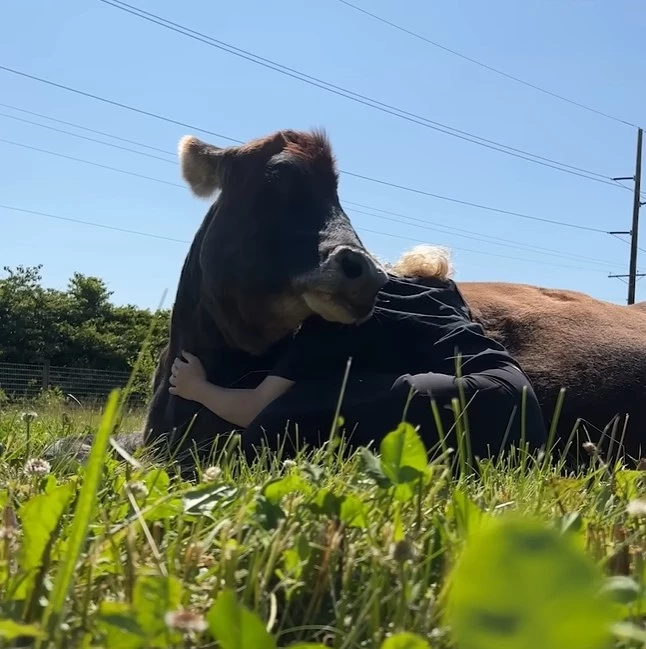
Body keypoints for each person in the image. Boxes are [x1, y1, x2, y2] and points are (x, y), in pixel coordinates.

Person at [168, 248, 547, 464]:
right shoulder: (442, 294)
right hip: (525, 409)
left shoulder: (346, 309)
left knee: (282, 417)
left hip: (456, 398)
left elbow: (257, 409)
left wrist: (197, 388)